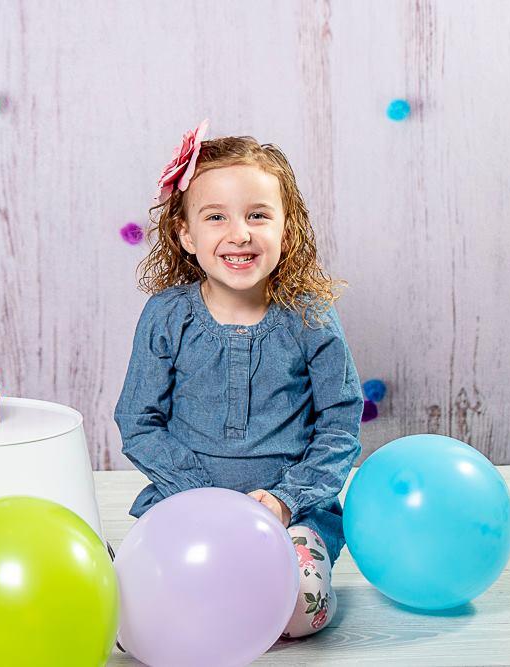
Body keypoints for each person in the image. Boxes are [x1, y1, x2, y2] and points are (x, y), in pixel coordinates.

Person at [114, 120, 363, 637]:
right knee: (142, 612)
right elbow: (138, 420)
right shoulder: (167, 316)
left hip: (288, 514)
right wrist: (198, 494)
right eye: (216, 217)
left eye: (257, 215)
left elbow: (340, 424)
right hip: (185, 504)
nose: (240, 233)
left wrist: (286, 498)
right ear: (185, 233)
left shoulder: (311, 316)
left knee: (299, 615)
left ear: (286, 228)